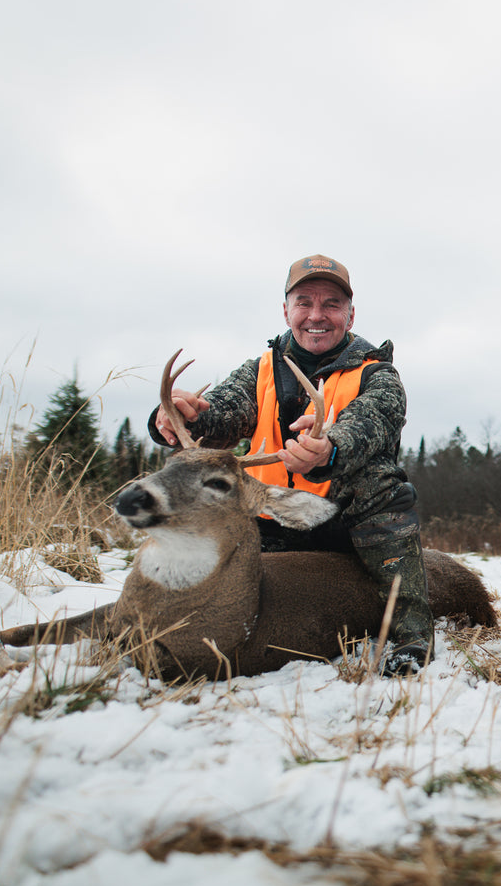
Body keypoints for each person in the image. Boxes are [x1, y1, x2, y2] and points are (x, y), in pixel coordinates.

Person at [148, 254, 432, 677]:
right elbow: (221, 416)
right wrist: (183, 416)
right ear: (286, 310)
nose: (316, 315)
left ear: (350, 315)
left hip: (347, 523)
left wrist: (330, 448)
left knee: (381, 482)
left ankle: (412, 633)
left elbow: (371, 422)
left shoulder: (378, 374)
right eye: (304, 302)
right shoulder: (260, 369)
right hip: (276, 518)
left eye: (331, 304)